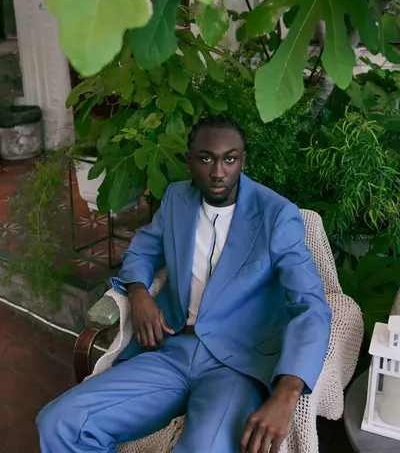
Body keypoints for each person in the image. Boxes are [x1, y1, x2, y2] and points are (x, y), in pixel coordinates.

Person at [36, 115, 332, 453]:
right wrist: (138, 293)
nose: (218, 172)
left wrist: (288, 392)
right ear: (190, 161)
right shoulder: (177, 199)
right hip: (170, 350)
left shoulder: (277, 215)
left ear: (243, 160)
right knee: (60, 422)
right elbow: (142, 252)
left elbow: (311, 305)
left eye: (230, 159)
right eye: (207, 158)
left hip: (237, 365)